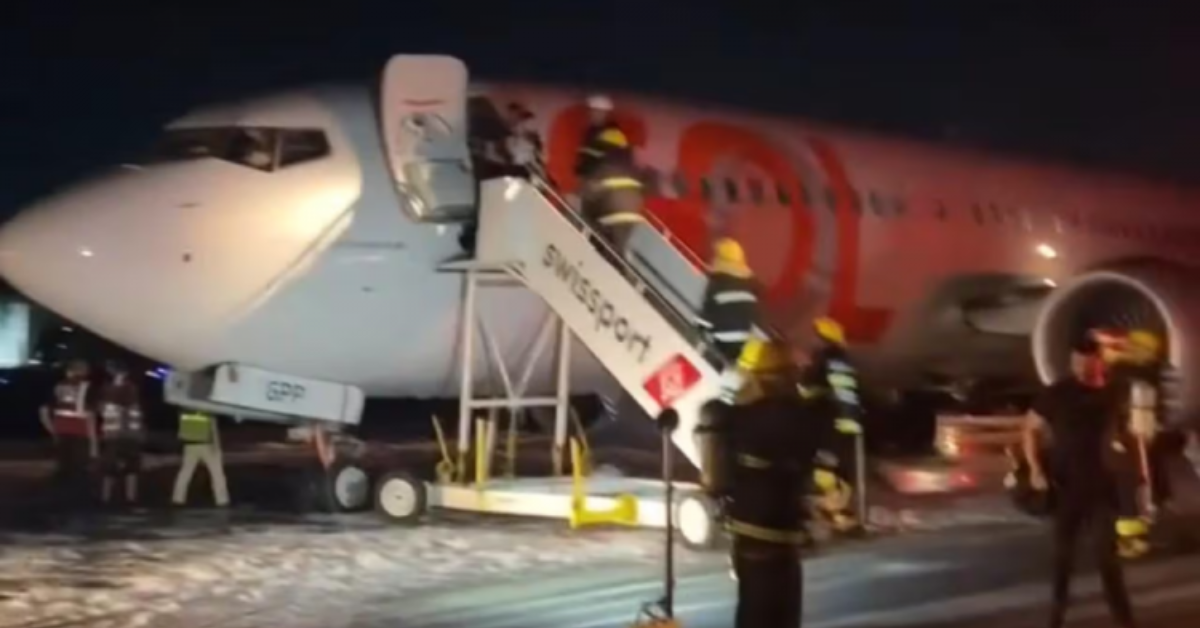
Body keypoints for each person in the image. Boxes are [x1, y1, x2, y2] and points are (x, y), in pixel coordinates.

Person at [1022, 336, 1138, 628]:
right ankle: (1056, 617)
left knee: (1107, 558)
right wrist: (1036, 469)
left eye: (1085, 360)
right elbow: (1029, 429)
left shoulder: (1117, 391)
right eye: (1075, 360)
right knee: (1063, 557)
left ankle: (1123, 620)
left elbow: (1137, 430)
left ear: (1099, 361)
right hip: (1065, 487)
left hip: (1104, 488)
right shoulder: (1058, 393)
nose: (1079, 366)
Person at [714, 333, 818, 628]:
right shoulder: (804, 417)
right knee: (785, 614)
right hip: (786, 532)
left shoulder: (739, 417)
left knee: (754, 611)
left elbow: (720, 469)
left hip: (751, 530)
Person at [1101, 328, 1166, 559]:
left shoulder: (1140, 375)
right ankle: (1129, 539)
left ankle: (1137, 535)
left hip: (1138, 442)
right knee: (1130, 491)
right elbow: (1115, 408)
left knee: (1140, 489)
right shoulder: (1124, 376)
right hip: (1128, 445)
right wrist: (1119, 436)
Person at [798, 317, 865, 535]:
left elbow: (809, 388)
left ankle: (836, 514)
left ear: (823, 338)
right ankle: (841, 515)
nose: (812, 340)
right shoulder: (842, 359)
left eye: (816, 336)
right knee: (840, 470)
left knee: (824, 469)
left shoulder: (824, 359)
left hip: (829, 422)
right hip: (847, 422)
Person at [573, 94, 645, 259]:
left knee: (608, 251)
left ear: (605, 113)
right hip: (615, 202)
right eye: (591, 110)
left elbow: (594, 164)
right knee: (608, 251)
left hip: (611, 202)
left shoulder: (611, 135)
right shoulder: (595, 133)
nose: (592, 114)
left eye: (597, 111)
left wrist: (586, 183)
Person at [695, 237, 761, 368]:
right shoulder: (750, 287)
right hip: (741, 344)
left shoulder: (718, 284)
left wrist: (697, 324)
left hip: (720, 341)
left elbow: (705, 318)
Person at [39, 359, 98, 505]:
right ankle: (78, 501)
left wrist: (53, 430)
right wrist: (93, 442)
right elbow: (90, 416)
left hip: (61, 432)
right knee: (79, 469)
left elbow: (43, 411)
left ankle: (59, 500)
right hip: (80, 432)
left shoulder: (57, 387)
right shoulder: (87, 387)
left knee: (63, 467)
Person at [96, 360, 146, 506]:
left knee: (131, 467)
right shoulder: (107, 389)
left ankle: (129, 498)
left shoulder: (129, 389)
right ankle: (107, 498)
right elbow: (103, 409)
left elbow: (129, 407)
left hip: (128, 435)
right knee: (110, 468)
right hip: (116, 434)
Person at [171, 410, 230, 508]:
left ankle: (177, 499)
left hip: (191, 443)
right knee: (217, 473)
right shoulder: (204, 406)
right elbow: (212, 425)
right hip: (206, 443)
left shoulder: (186, 406)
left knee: (185, 472)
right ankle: (222, 500)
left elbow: (181, 425)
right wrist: (216, 445)